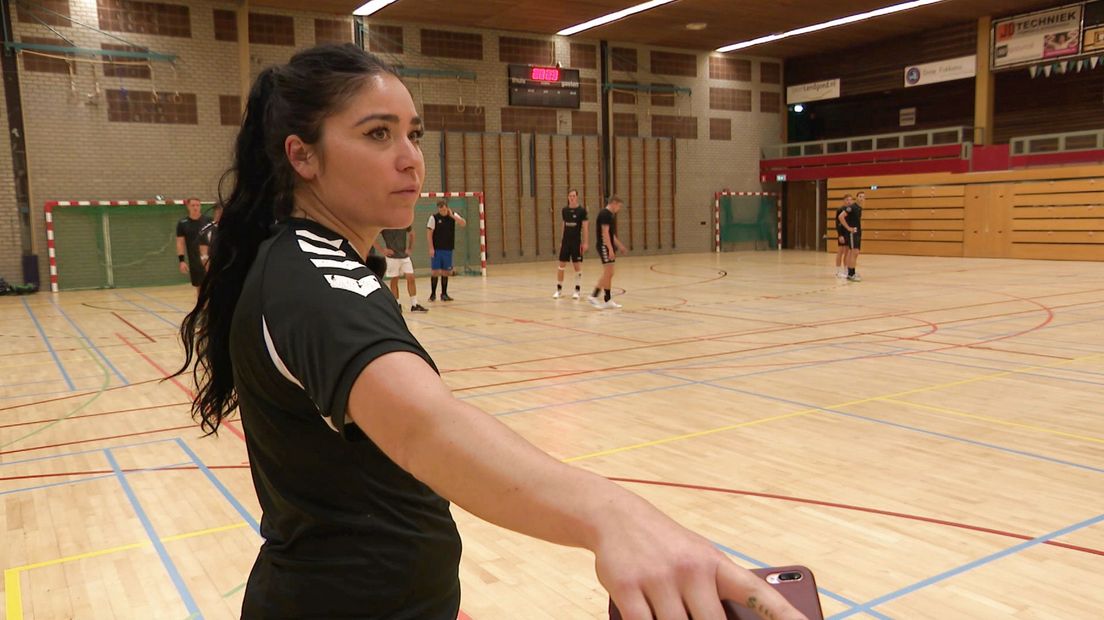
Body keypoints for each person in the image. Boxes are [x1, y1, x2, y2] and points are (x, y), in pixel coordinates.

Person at [176, 44, 805, 620]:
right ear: (302, 154)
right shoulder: (316, 280)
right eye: (377, 134)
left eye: (413, 134)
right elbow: (426, 426)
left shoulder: (318, 262)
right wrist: (612, 516)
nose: (410, 158)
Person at [375, 226, 427, 312]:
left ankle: (414, 304)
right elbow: (372, 237)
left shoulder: (402, 222)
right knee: (394, 279)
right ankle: (397, 304)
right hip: (392, 257)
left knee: (411, 277)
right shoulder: (384, 224)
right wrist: (382, 250)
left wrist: (410, 248)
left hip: (404, 256)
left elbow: (412, 234)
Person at [589, 196, 628, 309]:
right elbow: (605, 233)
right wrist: (610, 249)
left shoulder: (610, 215)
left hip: (607, 246)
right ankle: (593, 296)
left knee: (610, 273)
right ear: (614, 203)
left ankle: (607, 299)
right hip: (604, 246)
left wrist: (619, 246)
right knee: (608, 272)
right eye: (619, 206)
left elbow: (611, 235)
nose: (619, 209)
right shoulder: (605, 214)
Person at [426, 199, 465, 301]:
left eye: (444, 208)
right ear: (438, 209)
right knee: (435, 272)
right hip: (437, 249)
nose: (442, 210)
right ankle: (433, 294)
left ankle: (444, 294)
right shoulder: (433, 218)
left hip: (448, 248)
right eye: (440, 208)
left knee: (445, 272)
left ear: (447, 207)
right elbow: (429, 234)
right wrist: (431, 248)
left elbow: (463, 223)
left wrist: (452, 216)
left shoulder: (452, 216)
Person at [554, 188, 588, 299]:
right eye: (570, 196)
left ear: (577, 197)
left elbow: (585, 227)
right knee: (561, 266)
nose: (572, 198)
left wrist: (585, 242)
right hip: (566, 242)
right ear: (568, 197)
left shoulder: (582, 211)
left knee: (577, 266)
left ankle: (577, 291)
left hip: (576, 242)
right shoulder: (564, 210)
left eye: (573, 196)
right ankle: (559, 290)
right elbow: (563, 225)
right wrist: (561, 240)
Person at [175, 197, 212, 289]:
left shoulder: (209, 220)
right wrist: (182, 261)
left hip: (210, 259)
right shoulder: (182, 223)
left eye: (198, 205)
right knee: (200, 288)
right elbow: (180, 243)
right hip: (195, 262)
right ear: (188, 206)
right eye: (193, 205)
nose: (195, 207)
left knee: (212, 287)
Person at [839, 191, 864, 282]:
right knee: (854, 252)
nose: (861, 198)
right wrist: (848, 228)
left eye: (863, 197)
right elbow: (841, 217)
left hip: (858, 232)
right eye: (860, 196)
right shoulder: (852, 207)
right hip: (853, 233)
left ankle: (850, 272)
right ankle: (851, 274)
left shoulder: (859, 208)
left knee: (853, 252)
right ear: (856, 198)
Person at [199, 204, 223, 271]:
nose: (221, 215)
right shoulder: (206, 230)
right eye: (219, 213)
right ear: (215, 213)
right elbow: (203, 252)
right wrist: (208, 270)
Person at [834, 194, 853, 279]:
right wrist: (840, 235)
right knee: (840, 252)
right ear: (844, 200)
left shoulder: (850, 210)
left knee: (847, 253)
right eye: (847, 200)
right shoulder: (840, 210)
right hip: (842, 233)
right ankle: (838, 271)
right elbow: (838, 224)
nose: (849, 201)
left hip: (848, 233)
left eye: (850, 200)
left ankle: (845, 271)